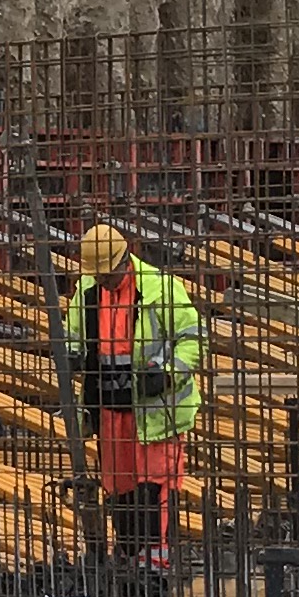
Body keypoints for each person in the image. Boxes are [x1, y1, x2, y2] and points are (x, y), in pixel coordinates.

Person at [70, 221, 205, 572]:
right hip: (110, 408)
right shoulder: (88, 290)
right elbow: (73, 335)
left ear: (123, 260)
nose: (104, 281)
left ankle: (155, 566)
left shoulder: (161, 289)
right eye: (98, 275)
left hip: (156, 410)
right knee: (120, 489)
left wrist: (167, 373)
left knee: (155, 487)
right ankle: (129, 560)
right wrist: (71, 355)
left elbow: (192, 339)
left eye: (107, 274)